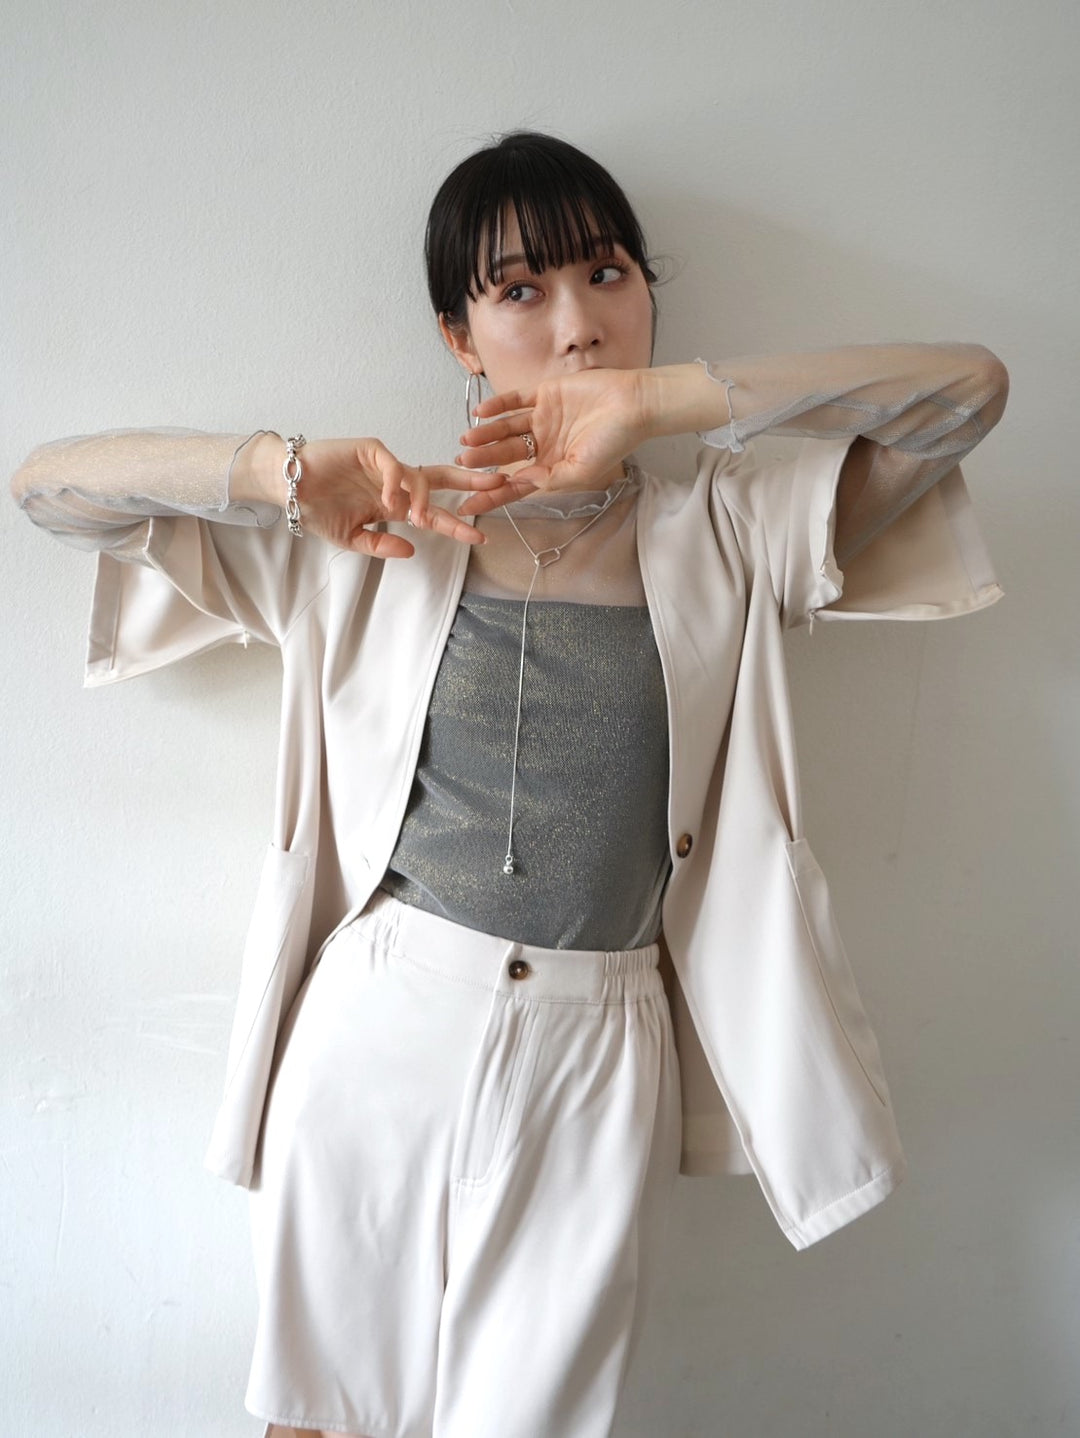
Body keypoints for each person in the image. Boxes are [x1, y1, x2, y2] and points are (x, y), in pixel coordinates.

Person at [11, 131, 1009, 1438]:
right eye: (522, 290)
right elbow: (50, 487)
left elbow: (965, 393)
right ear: (459, 337)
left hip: (601, 1040)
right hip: (381, 1022)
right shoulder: (365, 534)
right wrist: (280, 472)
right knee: (320, 1420)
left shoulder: (729, 527)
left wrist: (667, 403)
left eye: (608, 274)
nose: (580, 323)